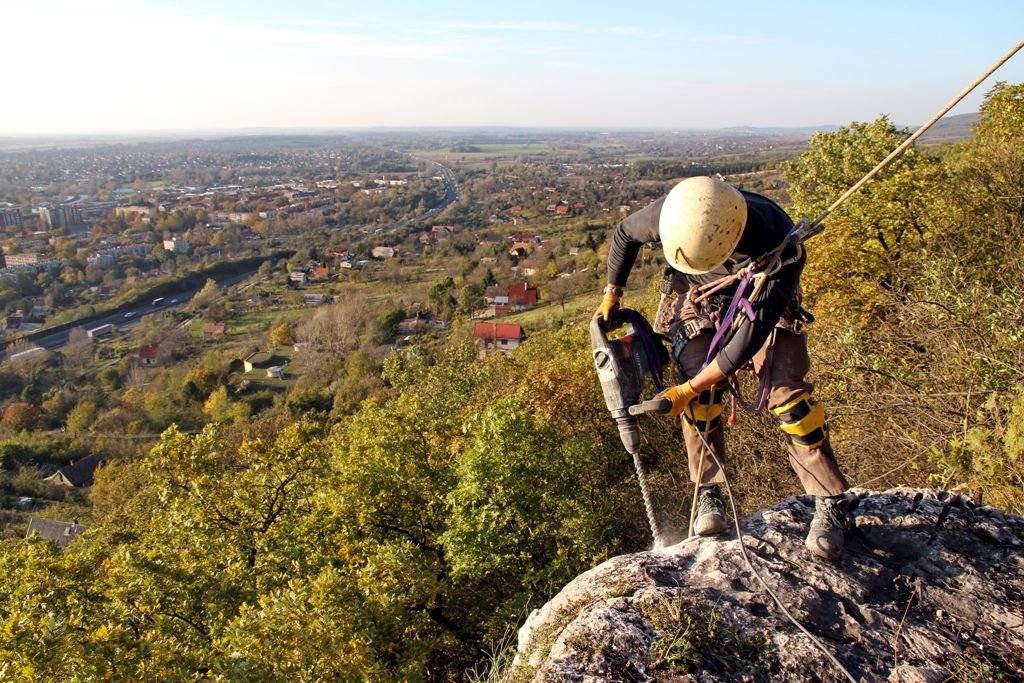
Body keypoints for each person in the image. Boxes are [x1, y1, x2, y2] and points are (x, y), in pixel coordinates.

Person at [595, 176, 852, 560]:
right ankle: (709, 491)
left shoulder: (779, 244)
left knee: (788, 395)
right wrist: (611, 294)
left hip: (760, 288)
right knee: (701, 395)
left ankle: (831, 501)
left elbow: (744, 344)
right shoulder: (676, 210)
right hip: (696, 291)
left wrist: (689, 388)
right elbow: (624, 234)